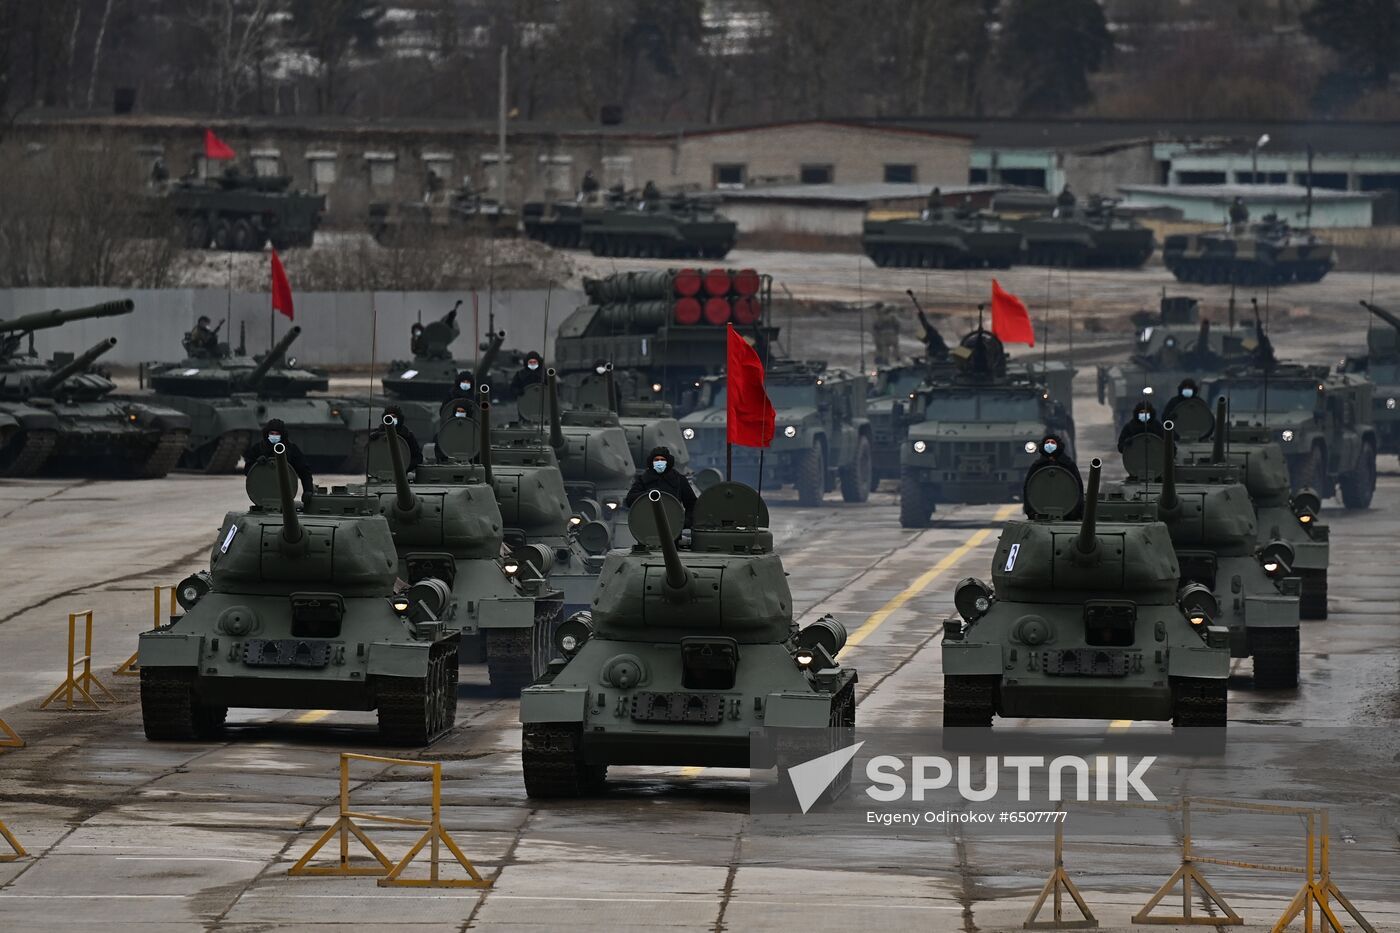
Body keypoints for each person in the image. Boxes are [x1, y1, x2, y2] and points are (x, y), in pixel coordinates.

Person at [243, 419, 314, 507]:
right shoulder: (258, 449)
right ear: (267, 434)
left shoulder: (291, 449)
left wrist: (308, 490)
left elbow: (304, 471)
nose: (274, 436)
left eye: (277, 434)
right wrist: (256, 463)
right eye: (272, 433)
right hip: (264, 493)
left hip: (284, 493)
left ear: (282, 435)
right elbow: (248, 471)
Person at [623, 447, 698, 529]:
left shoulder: (679, 479)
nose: (659, 462)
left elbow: (692, 503)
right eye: (656, 460)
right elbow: (630, 499)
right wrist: (647, 494)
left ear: (668, 461)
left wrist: (685, 522)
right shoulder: (644, 479)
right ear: (652, 462)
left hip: (673, 525)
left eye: (662, 459)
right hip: (648, 525)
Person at [1022, 434, 1083, 520]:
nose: (1049, 445)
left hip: (1067, 512)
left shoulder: (1068, 465)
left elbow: (1077, 488)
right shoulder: (1037, 466)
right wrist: (1031, 511)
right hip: (1040, 511)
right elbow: (1029, 488)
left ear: (1058, 445)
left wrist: (1075, 512)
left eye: (1052, 442)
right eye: (1047, 442)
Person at [371, 405, 422, 470]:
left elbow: (418, 458)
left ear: (399, 419)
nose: (391, 420)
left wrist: (406, 467)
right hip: (382, 471)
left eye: (394, 417)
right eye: (388, 417)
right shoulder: (378, 435)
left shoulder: (407, 435)